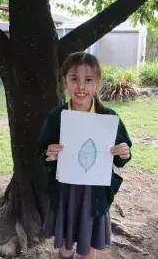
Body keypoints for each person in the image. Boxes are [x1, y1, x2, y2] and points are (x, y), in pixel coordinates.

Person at [38, 52, 132, 259]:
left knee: (89, 242)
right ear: (65, 82)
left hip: (95, 193)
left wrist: (124, 152)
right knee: (65, 241)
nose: (81, 86)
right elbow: (42, 151)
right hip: (66, 192)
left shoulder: (108, 117)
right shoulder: (56, 117)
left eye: (88, 80)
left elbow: (121, 156)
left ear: (98, 82)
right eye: (74, 79)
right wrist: (49, 154)